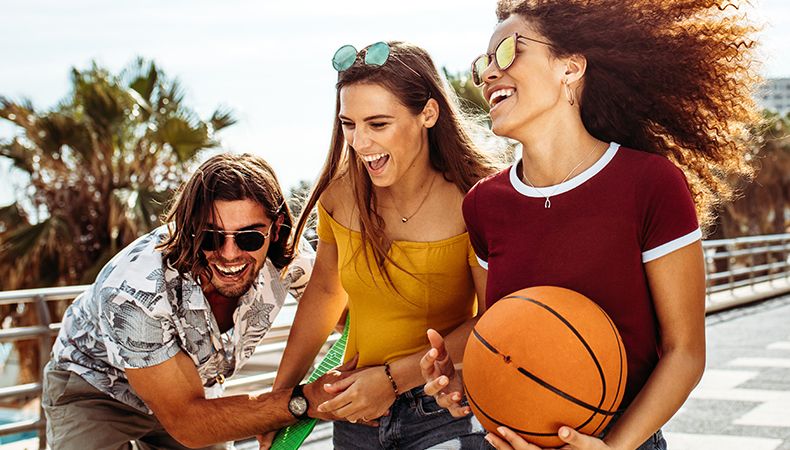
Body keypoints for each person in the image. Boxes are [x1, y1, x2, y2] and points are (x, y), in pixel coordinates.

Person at [421, 0, 760, 449]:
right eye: (483, 63)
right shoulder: (484, 204)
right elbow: (507, 335)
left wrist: (613, 448)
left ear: (570, 67)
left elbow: (685, 353)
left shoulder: (649, 183)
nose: (487, 74)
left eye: (507, 53)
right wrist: (466, 378)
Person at [265, 41, 496, 449]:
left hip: (444, 407)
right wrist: (279, 401)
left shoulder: (474, 200)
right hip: (355, 414)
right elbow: (323, 294)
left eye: (377, 124)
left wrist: (391, 380)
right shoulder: (339, 195)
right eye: (348, 124)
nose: (359, 142)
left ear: (427, 113)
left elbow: (494, 322)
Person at [42, 153, 347, 449]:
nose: (229, 254)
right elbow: (188, 424)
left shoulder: (291, 258)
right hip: (97, 388)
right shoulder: (133, 292)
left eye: (249, 238)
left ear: (276, 229)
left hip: (190, 391)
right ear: (189, 228)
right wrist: (300, 401)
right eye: (211, 237)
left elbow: (349, 317)